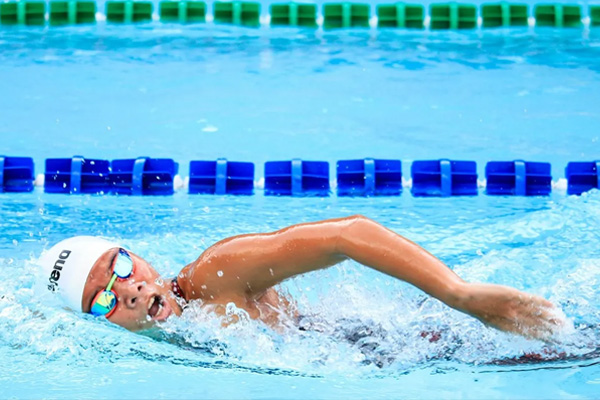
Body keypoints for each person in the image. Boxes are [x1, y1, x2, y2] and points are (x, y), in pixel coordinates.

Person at [39, 215, 563, 339]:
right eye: (102, 300)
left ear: (143, 262)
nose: (127, 290)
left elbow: (349, 235)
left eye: (122, 269)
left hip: (407, 344)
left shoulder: (214, 276)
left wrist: (460, 295)